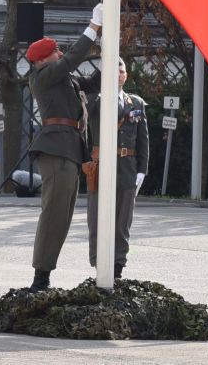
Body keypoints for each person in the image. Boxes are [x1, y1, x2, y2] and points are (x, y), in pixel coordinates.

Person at [24, 3, 102, 292]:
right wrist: (92, 28)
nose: (59, 54)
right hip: (56, 149)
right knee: (54, 213)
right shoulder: (42, 77)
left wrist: (111, 56)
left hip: (69, 148)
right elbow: (70, 60)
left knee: (63, 215)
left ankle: (44, 274)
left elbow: (92, 83)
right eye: (55, 52)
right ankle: (40, 277)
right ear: (43, 59)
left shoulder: (63, 78)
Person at [83, 58, 148, 280]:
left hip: (127, 168)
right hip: (100, 166)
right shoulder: (96, 99)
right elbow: (85, 119)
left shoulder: (136, 102)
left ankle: (118, 265)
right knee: (96, 219)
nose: (119, 75)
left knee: (122, 221)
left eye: (122, 71)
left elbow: (143, 139)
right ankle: (98, 263)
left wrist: (142, 170)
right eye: (114, 71)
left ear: (126, 75)